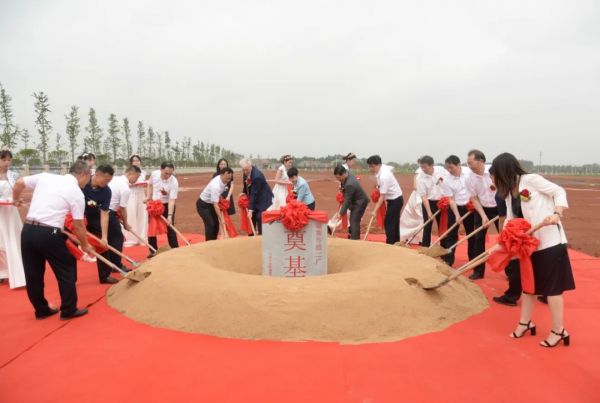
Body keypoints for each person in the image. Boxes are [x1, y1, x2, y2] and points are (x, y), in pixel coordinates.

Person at [490, 153, 574, 348]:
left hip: (550, 243)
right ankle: (525, 323)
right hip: (529, 247)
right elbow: (510, 221)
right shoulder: (511, 193)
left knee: (552, 290)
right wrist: (500, 245)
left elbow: (559, 191)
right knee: (529, 287)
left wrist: (557, 213)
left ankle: (558, 330)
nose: (493, 180)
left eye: (495, 175)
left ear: (504, 172)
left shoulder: (532, 180)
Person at [12, 161, 95, 320]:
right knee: (65, 270)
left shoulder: (45, 177)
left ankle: (41, 310)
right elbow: (78, 225)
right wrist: (85, 245)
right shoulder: (76, 192)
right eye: (88, 178)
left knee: (33, 274)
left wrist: (15, 199)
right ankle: (69, 309)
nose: (88, 182)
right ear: (83, 174)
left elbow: (19, 182)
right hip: (49, 233)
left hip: (28, 230)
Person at [465, 149, 500, 280]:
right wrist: (483, 216)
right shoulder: (469, 179)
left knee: (506, 238)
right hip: (482, 209)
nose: (469, 165)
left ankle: (511, 271)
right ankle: (478, 270)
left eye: (471, 162)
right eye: (467, 163)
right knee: (478, 240)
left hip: (499, 208)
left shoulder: (494, 172)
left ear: (481, 161)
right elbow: (474, 199)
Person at [83, 165, 117, 284]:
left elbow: (104, 214)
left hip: (93, 216)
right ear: (97, 175)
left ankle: (105, 275)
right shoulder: (83, 182)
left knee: (102, 245)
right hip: (76, 216)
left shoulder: (106, 191)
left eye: (110, 181)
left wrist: (104, 237)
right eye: (106, 180)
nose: (107, 183)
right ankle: (71, 277)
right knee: (70, 243)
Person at [106, 165, 141, 270]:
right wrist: (125, 223)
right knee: (118, 238)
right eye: (136, 177)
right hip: (109, 212)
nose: (136, 180)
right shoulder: (126, 189)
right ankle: (116, 264)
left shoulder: (115, 179)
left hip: (104, 210)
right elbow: (123, 208)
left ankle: (110, 264)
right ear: (130, 174)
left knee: (110, 238)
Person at [0, 149, 26, 288]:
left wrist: (17, 200)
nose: (6, 163)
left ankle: (18, 275)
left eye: (8, 160)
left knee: (14, 242)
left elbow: (17, 192)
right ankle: (3, 272)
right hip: (1, 214)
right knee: (1, 244)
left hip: (11, 213)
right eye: (3, 160)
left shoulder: (13, 176)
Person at [441, 155, 472, 266]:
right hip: (455, 207)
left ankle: (472, 261)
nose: (449, 170)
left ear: (459, 165)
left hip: (471, 207)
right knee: (451, 235)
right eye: (447, 168)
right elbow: (451, 199)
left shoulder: (469, 173)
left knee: (471, 234)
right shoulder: (446, 180)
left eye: (451, 168)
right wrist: (457, 215)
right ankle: (449, 261)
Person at [366, 155, 403, 244]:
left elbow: (382, 197)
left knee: (388, 222)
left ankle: (390, 244)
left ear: (378, 165)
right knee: (394, 222)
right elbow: (392, 168)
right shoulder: (384, 168)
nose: (370, 169)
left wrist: (375, 211)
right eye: (369, 166)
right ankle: (396, 242)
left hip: (396, 200)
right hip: (394, 199)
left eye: (372, 166)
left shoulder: (384, 176)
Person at [146, 162, 180, 255]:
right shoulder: (154, 174)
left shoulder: (174, 182)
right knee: (152, 228)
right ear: (161, 169)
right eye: (166, 173)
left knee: (170, 227)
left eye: (170, 173)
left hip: (166, 205)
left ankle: (175, 250)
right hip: (154, 205)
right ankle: (153, 251)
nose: (168, 175)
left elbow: (172, 200)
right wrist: (148, 196)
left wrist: (169, 215)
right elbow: (149, 184)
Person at [416, 156, 447, 248]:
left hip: (442, 202)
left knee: (443, 226)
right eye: (421, 167)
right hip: (428, 203)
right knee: (427, 225)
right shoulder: (420, 178)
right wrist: (429, 212)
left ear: (432, 165)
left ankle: (443, 248)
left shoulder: (441, 171)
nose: (423, 169)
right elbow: (423, 196)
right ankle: (425, 248)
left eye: (425, 167)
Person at [197, 167, 234, 240]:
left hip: (211, 204)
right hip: (203, 205)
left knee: (216, 225)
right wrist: (222, 219)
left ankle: (213, 242)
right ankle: (209, 244)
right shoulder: (215, 185)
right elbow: (215, 204)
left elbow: (217, 197)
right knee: (210, 224)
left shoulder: (223, 180)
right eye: (226, 178)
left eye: (229, 179)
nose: (228, 181)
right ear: (221, 175)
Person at [333, 165, 369, 240]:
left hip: (360, 202)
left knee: (354, 220)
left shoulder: (350, 184)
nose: (338, 179)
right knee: (354, 220)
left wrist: (340, 214)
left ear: (343, 174)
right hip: (355, 200)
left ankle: (355, 240)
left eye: (339, 177)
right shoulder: (347, 174)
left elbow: (347, 201)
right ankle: (355, 238)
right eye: (336, 178)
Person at [240, 158, 273, 235]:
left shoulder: (257, 176)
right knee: (251, 218)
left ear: (250, 166)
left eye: (246, 170)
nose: (245, 172)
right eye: (243, 170)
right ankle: (252, 238)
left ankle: (262, 237)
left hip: (263, 199)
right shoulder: (245, 173)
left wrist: (251, 210)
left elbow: (254, 193)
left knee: (260, 217)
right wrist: (244, 193)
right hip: (255, 198)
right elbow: (246, 185)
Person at [123, 155, 148, 247]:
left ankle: (142, 238)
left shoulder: (143, 173)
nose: (136, 162)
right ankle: (131, 239)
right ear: (131, 163)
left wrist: (147, 197)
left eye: (138, 160)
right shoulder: (127, 172)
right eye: (134, 161)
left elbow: (146, 186)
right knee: (131, 215)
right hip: (131, 194)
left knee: (142, 216)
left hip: (141, 195)